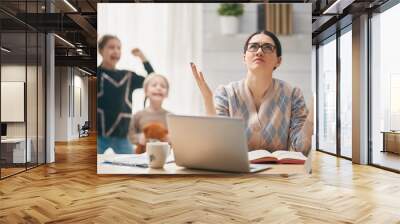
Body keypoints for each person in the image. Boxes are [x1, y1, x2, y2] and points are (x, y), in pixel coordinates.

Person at [190, 30, 313, 156]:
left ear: (278, 61)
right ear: (244, 58)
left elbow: (301, 149)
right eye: (253, 47)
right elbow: (217, 145)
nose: (259, 52)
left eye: (267, 47)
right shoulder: (225, 94)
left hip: (277, 174)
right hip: (235, 173)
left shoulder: (293, 95)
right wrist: (207, 99)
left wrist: (314, 109)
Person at [97, 34, 154, 154]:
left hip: (122, 137)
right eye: (111, 47)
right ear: (101, 50)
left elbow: (152, 80)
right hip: (99, 137)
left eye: (119, 48)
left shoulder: (128, 76)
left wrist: (142, 57)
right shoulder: (96, 74)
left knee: (131, 168)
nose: (116, 51)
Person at [128, 74, 171, 149]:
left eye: (163, 86)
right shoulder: (138, 115)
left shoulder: (171, 117)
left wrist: (171, 139)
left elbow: (178, 138)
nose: (159, 88)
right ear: (146, 91)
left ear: (167, 93)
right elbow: (130, 136)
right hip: (142, 157)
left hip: (165, 156)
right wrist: (139, 138)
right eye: (154, 85)